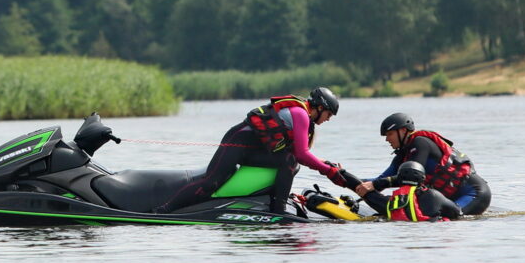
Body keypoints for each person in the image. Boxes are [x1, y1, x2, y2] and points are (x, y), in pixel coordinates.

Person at [153, 87, 353, 214]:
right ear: (319, 107)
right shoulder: (301, 114)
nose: (329, 119)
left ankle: (278, 210)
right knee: (210, 183)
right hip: (237, 141)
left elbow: (297, 154)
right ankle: (163, 211)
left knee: (289, 161)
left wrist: (327, 165)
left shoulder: (305, 118)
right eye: (329, 114)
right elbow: (303, 153)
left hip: (253, 151)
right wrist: (328, 171)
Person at [356, 113, 491, 215]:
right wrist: (349, 179)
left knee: (453, 218)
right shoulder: (402, 155)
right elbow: (380, 180)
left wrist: (376, 185)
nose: (386, 139)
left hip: (475, 193)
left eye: (389, 134)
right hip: (451, 197)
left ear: (403, 131)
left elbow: (411, 178)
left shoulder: (420, 143)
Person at [358, 161, 462, 221]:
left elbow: (367, 194)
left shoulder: (393, 201)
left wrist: (343, 174)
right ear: (422, 178)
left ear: (399, 178)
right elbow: (457, 212)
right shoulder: (434, 195)